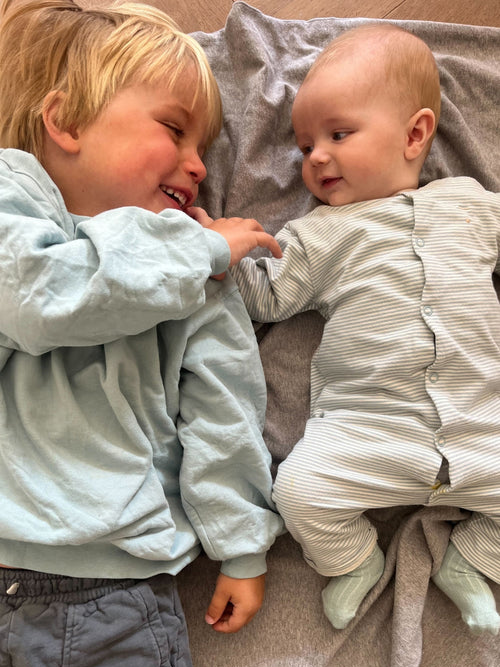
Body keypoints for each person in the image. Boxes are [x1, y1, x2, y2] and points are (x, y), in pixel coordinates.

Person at [0, 0, 284, 667]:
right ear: (65, 121)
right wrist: (200, 251)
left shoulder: (199, 270)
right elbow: (38, 302)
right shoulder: (10, 204)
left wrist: (241, 542)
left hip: (109, 600)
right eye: (174, 129)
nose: (199, 165)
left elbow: (223, 411)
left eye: (206, 146)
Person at [198, 23, 500, 635]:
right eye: (305, 146)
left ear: (415, 134)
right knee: (298, 491)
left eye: (338, 135)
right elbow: (267, 297)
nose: (315, 157)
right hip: (369, 428)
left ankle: (470, 560)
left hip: (481, 427)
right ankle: (356, 560)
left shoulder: (469, 202)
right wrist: (217, 253)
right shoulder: (320, 234)